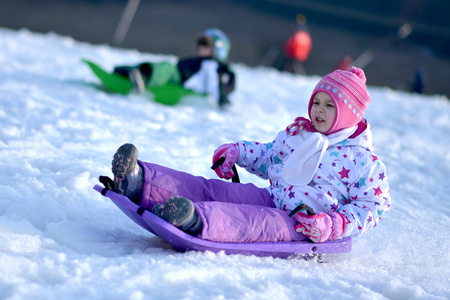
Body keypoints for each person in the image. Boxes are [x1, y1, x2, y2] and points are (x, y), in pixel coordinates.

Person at [104, 67, 391, 244]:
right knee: (214, 189)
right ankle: (141, 180)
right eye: (316, 101)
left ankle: (192, 219)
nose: (318, 110)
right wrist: (237, 152)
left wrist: (333, 225)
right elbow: (270, 157)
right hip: (273, 198)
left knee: (247, 220)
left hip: (302, 223)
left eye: (330, 106)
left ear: (349, 114)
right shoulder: (301, 134)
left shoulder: (363, 161)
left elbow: (373, 206)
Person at [113, 28, 235, 107]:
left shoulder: (213, 66)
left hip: (182, 80)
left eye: (205, 47)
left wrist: (223, 101)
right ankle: (127, 73)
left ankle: (142, 77)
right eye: (200, 47)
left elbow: (217, 86)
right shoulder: (199, 61)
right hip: (180, 76)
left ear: (217, 51)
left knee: (167, 68)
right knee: (163, 68)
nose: (201, 50)